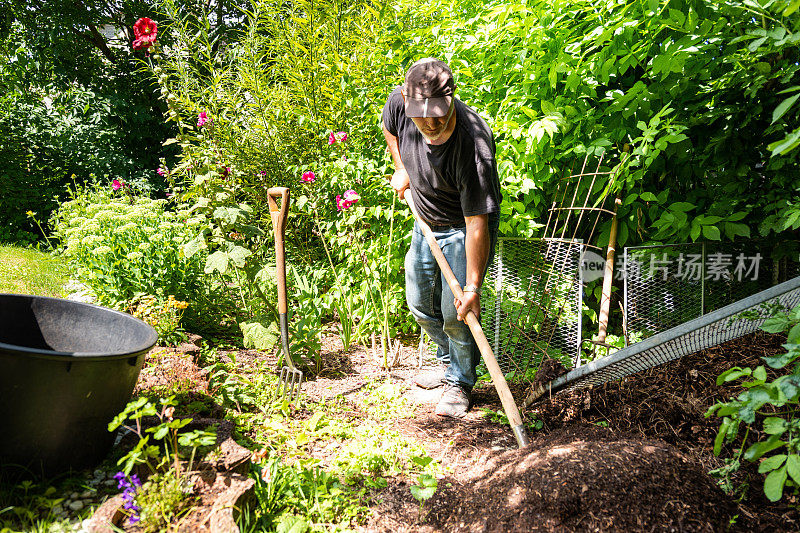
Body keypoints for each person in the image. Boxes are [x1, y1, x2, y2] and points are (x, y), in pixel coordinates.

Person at [381, 58, 502, 418]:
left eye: (440, 114)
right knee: (419, 302)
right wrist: (402, 167)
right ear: (407, 100)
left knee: (457, 312)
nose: (432, 124)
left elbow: (477, 223)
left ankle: (461, 382)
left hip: (465, 227)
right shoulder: (399, 104)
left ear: (452, 98)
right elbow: (390, 128)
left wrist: (473, 289)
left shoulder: (473, 143)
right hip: (425, 221)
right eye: (423, 116)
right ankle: (449, 364)